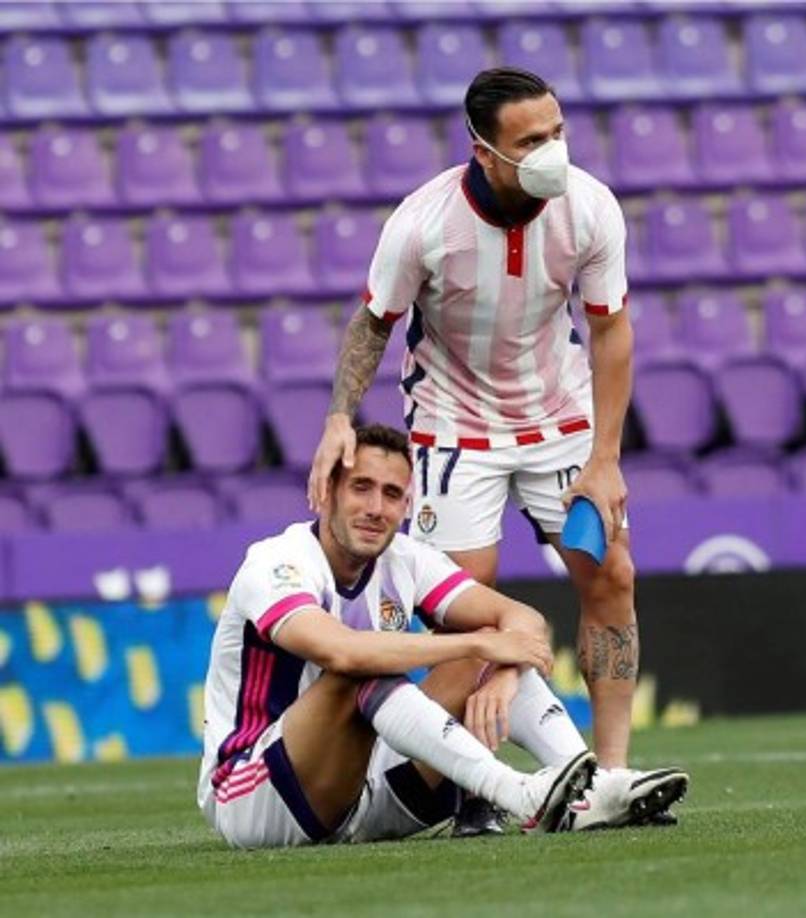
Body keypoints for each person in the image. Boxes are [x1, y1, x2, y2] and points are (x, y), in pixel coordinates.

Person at [307, 68, 683, 828]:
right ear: (485, 152)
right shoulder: (423, 224)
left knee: (611, 577)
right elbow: (373, 323)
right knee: (464, 617)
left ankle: (609, 776)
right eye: (530, 141)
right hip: (454, 429)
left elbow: (611, 330)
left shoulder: (588, 207)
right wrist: (339, 416)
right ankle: (471, 787)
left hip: (562, 420)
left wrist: (604, 457)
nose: (551, 152)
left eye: (557, 132)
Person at [198, 425, 683, 848]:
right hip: (256, 794)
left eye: (391, 495)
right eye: (361, 488)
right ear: (327, 491)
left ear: (407, 504)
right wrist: (476, 644)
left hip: (363, 792)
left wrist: (501, 673)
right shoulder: (277, 561)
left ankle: (592, 789)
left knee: (484, 657)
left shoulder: (405, 558)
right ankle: (520, 794)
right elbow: (338, 650)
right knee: (364, 668)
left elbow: (523, 620)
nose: (375, 508)